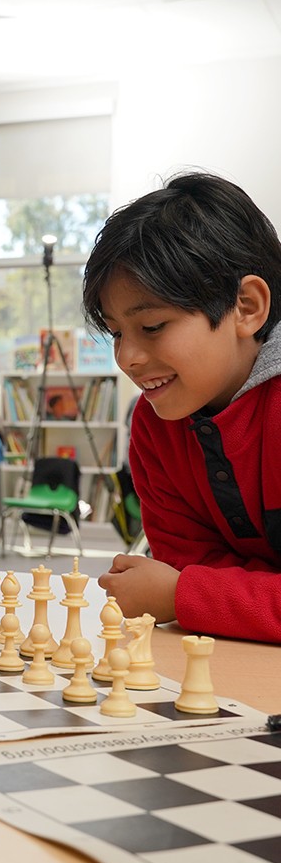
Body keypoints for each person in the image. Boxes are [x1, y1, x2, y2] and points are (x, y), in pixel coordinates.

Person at [82, 171, 281, 644]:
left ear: (247, 306)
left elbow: (182, 582)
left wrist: (184, 595)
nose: (127, 357)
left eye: (151, 326)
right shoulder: (154, 424)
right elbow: (188, 561)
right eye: (115, 333)